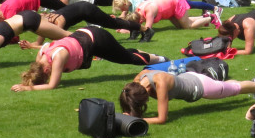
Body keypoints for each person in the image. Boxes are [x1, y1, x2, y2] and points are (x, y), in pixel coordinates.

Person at [13, 26, 164, 91]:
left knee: (127, 58)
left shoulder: (57, 58)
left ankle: (162, 60)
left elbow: (53, 85)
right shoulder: (41, 56)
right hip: (85, 36)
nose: (49, 76)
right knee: (121, 54)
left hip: (96, 39)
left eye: (47, 75)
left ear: (46, 70)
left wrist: (27, 88)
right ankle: (154, 58)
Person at [119, 70, 255, 124]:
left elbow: (162, 119)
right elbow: (132, 100)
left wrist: (136, 120)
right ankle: (253, 84)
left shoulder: (159, 83)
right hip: (189, 77)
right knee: (227, 87)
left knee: (233, 89)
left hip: (200, 87)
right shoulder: (138, 81)